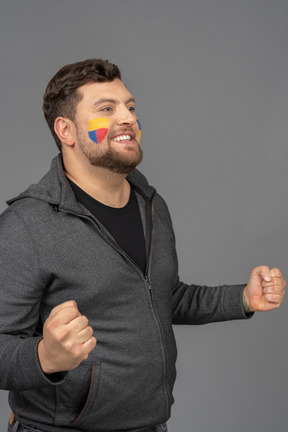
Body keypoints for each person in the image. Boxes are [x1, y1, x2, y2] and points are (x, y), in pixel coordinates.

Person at [0, 59, 285, 432]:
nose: (128, 118)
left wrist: (244, 298)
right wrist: (44, 357)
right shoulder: (27, 224)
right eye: (107, 109)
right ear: (66, 131)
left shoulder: (150, 204)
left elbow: (163, 297)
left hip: (151, 425)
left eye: (130, 108)